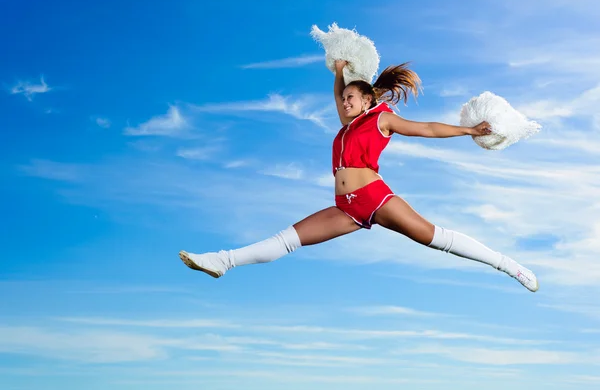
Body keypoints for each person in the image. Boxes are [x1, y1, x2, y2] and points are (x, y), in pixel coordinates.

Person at [179, 60, 539, 292]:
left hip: (375, 198)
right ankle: (222, 261)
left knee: (435, 238)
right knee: (287, 239)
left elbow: (426, 128)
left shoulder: (381, 119)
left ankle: (508, 265)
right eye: (345, 99)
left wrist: (470, 131)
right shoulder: (347, 124)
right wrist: (339, 72)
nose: (345, 102)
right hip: (345, 207)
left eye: (352, 98)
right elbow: (338, 95)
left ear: (367, 100)